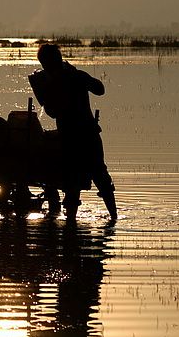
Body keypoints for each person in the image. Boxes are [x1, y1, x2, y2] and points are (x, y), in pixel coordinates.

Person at [29, 43, 117, 220]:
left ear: (46, 65)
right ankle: (113, 218)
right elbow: (100, 89)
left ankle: (72, 226)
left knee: (73, 183)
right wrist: (77, 76)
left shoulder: (59, 81)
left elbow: (52, 112)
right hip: (87, 135)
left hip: (72, 139)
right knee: (99, 177)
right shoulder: (75, 76)